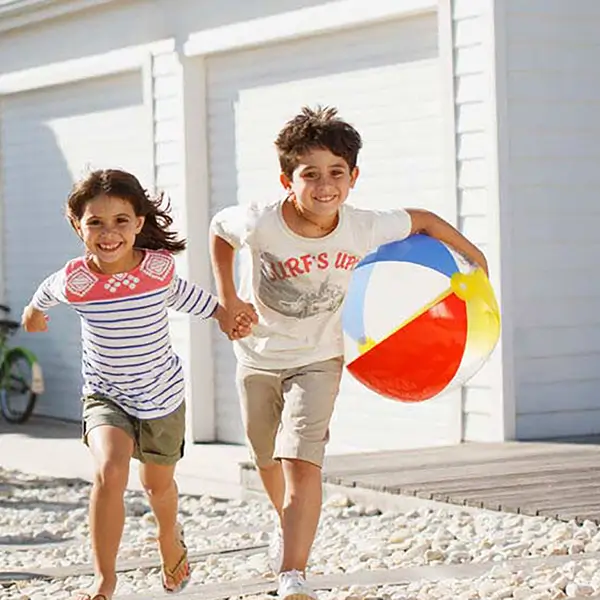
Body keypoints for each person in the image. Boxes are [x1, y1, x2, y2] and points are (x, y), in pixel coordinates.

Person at [209, 106, 488, 600]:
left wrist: (475, 256)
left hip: (320, 359)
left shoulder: (363, 226)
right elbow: (218, 231)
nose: (325, 185)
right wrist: (229, 299)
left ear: (353, 177)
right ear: (286, 179)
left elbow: (423, 219)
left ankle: (292, 573)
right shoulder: (258, 221)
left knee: (300, 459)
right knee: (264, 455)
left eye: (337, 173)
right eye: (310, 174)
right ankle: (284, 524)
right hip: (257, 357)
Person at [21, 169, 255, 600]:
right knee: (110, 472)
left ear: (139, 223)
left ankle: (170, 537)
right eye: (95, 223)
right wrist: (34, 313)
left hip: (162, 395)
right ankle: (104, 581)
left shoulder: (157, 271)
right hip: (106, 395)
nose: (108, 233)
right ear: (78, 226)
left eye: (120, 221)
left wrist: (227, 315)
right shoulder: (77, 280)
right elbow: (44, 295)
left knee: (157, 487)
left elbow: (193, 299)